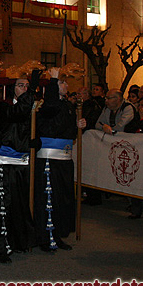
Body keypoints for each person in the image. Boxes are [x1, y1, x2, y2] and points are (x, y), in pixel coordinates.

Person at [34, 67, 86, 252]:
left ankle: (58, 234)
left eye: (64, 82)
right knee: (49, 199)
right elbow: (50, 108)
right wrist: (53, 81)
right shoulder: (48, 103)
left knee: (63, 199)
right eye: (62, 82)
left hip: (65, 160)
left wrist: (77, 126)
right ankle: (46, 237)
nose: (65, 85)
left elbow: (69, 134)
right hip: (50, 160)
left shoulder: (68, 105)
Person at [0, 73, 39, 262]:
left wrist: (37, 142)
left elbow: (35, 128)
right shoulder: (4, 106)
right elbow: (17, 114)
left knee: (21, 204)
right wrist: (33, 91)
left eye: (27, 86)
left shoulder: (32, 108)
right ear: (13, 88)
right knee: (4, 205)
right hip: (5, 161)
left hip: (22, 162)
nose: (25, 89)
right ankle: (2, 247)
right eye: (21, 85)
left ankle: (19, 241)